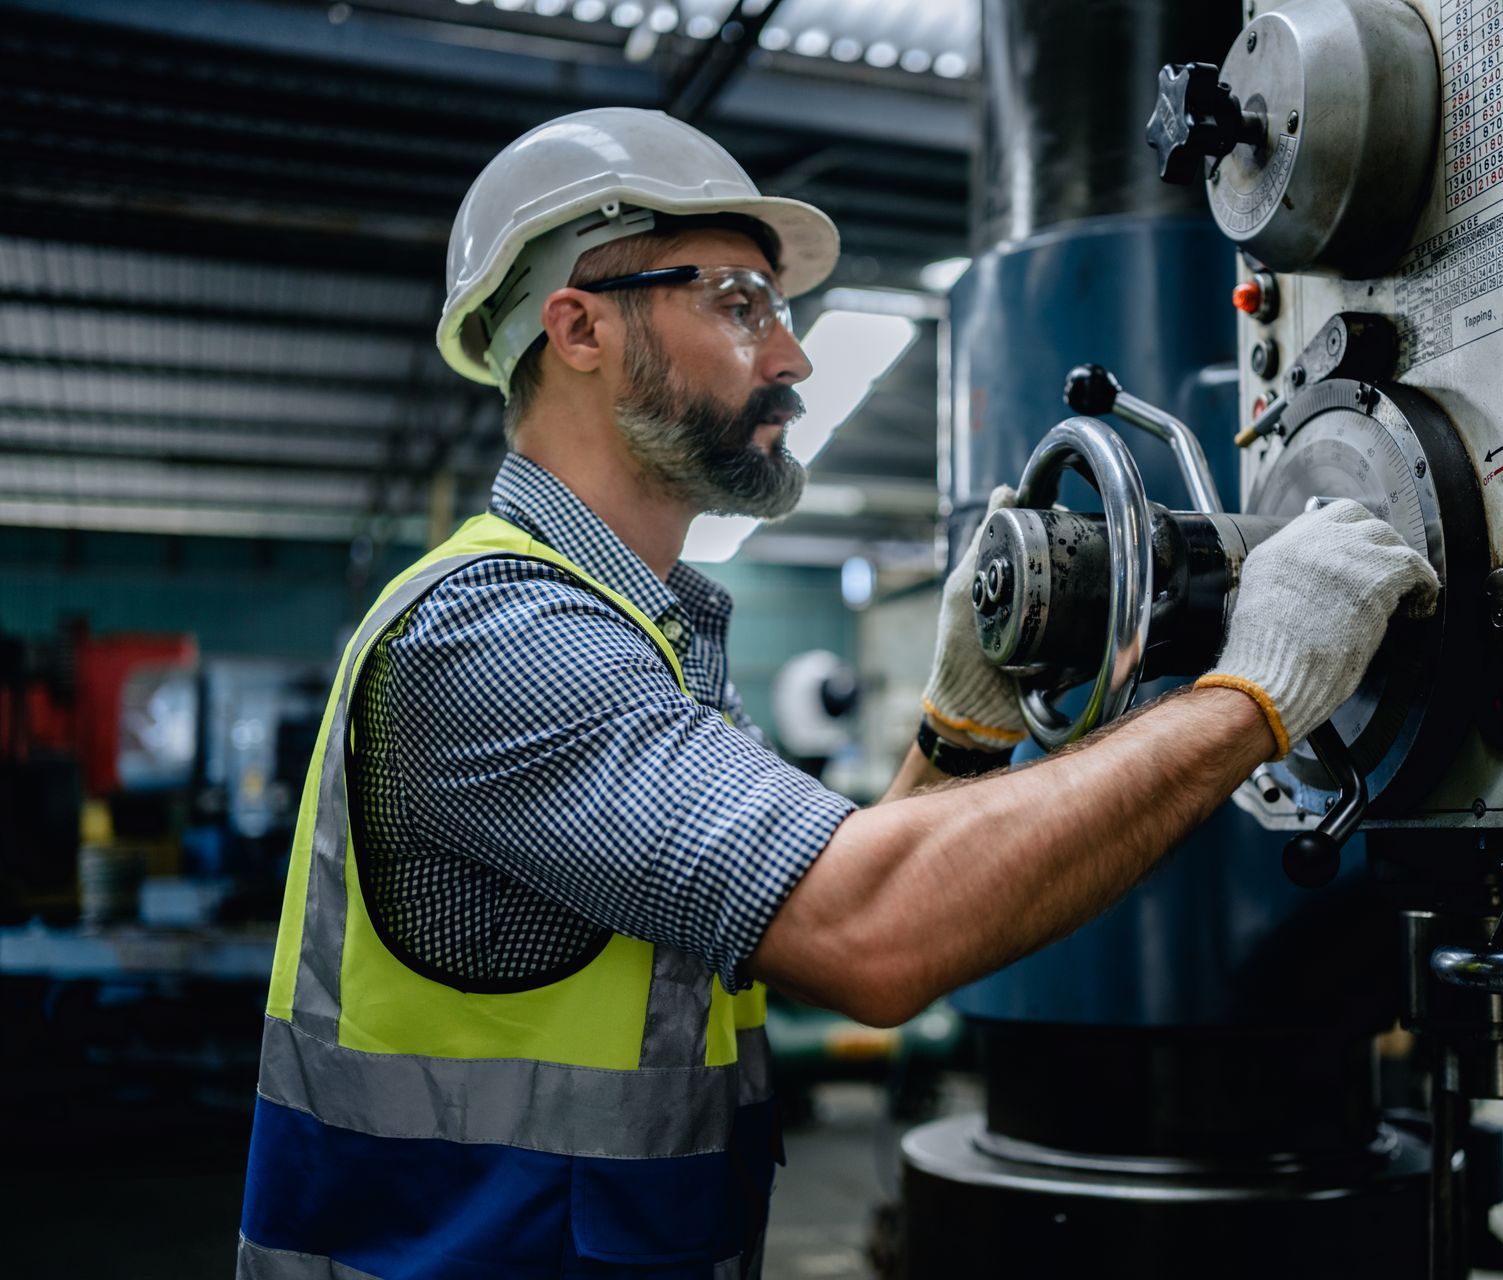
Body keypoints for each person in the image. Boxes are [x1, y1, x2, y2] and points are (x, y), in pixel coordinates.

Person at [235, 108, 1438, 1280]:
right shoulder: (500, 632)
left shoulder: (632, 634)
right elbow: (873, 937)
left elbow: (815, 915)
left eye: (787, 312)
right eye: (739, 302)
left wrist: (961, 726)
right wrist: (1255, 693)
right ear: (580, 327)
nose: (795, 355)